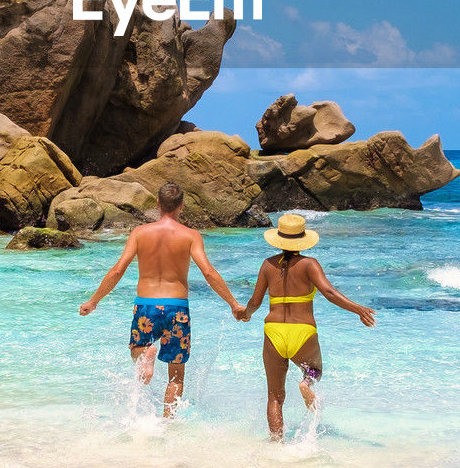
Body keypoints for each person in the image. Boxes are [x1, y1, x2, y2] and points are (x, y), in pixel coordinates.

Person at [79, 181, 243, 417]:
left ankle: (145, 355)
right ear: (182, 206)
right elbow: (208, 272)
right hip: (177, 308)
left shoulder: (139, 233)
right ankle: (168, 422)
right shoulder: (190, 236)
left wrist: (94, 301)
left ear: (157, 204)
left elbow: (118, 270)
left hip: (146, 306)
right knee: (176, 375)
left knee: (137, 348)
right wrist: (233, 304)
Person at [237, 212, 376, 440]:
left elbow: (255, 302)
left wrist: (245, 314)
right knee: (315, 370)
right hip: (303, 331)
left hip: (273, 332)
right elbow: (329, 293)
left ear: (279, 238)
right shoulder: (309, 264)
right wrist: (358, 309)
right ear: (302, 239)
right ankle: (306, 383)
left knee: (274, 396)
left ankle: (276, 445)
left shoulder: (267, 265)